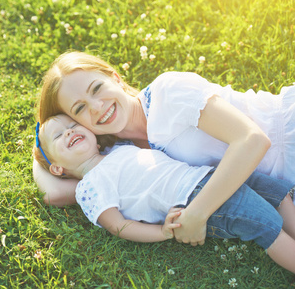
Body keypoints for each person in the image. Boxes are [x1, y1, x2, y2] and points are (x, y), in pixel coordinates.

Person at [33, 50, 295, 246]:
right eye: (79, 109)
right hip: (284, 190)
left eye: (98, 88)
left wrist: (196, 214)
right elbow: (57, 191)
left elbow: (252, 140)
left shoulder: (166, 93)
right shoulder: (120, 155)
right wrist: (42, 148)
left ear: (115, 78)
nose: (97, 107)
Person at [33, 114, 295, 273]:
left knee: (274, 193)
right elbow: (118, 226)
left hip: (210, 176)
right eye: (59, 135)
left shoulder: (118, 148)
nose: (69, 131)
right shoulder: (88, 188)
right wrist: (162, 232)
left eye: (73, 125)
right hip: (192, 203)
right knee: (266, 224)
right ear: (57, 167)